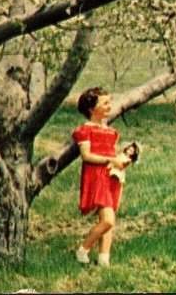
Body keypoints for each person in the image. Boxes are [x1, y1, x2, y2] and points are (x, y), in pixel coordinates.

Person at [72, 87, 129, 267]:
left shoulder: (110, 131)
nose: (108, 106)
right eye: (104, 103)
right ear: (91, 109)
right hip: (96, 176)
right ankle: (83, 250)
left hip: (111, 176)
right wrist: (110, 159)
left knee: (110, 218)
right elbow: (87, 155)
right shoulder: (85, 130)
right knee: (108, 220)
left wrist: (122, 159)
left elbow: (111, 152)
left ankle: (104, 259)